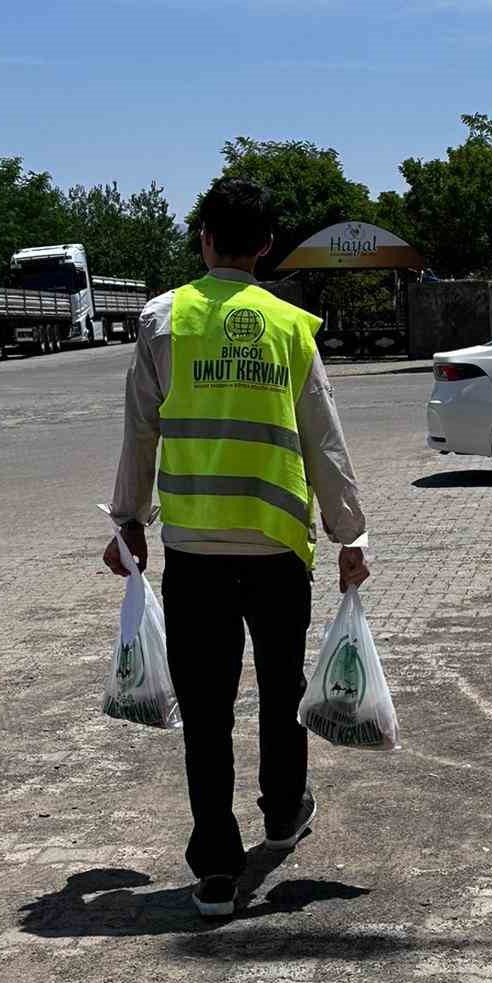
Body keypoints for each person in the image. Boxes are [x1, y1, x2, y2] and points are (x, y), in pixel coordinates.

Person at [102, 178, 370, 920]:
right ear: (264, 247)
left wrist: (128, 520)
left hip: (194, 550)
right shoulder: (289, 325)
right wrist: (352, 532)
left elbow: (139, 431)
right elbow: (324, 436)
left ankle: (216, 868)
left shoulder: (164, 320)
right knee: (283, 691)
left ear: (203, 238)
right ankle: (284, 814)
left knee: (207, 708)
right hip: (279, 545)